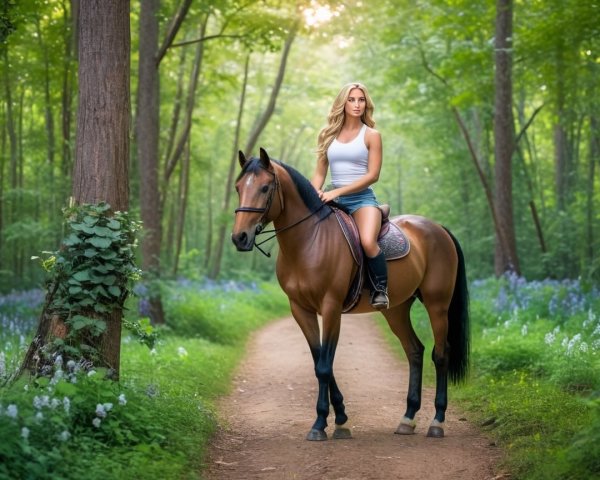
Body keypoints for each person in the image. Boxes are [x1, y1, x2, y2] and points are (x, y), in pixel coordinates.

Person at [311, 82, 389, 310]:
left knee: (367, 241)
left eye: (361, 100)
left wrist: (336, 191)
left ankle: (380, 290)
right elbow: (319, 173)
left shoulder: (372, 135)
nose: (357, 104)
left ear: (367, 104)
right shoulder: (327, 135)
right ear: (342, 103)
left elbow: (373, 175)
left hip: (362, 200)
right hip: (331, 200)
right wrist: (315, 191)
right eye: (351, 99)